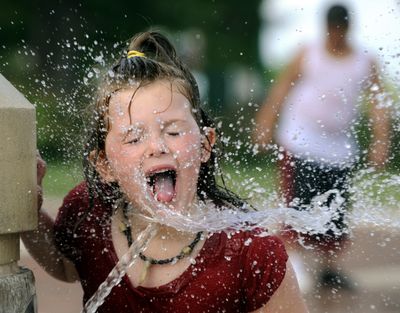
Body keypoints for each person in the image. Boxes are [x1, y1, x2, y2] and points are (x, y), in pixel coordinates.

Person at [22, 31, 308, 313]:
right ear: (105, 165)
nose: (157, 146)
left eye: (173, 130)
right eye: (134, 138)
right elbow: (65, 264)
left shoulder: (251, 254)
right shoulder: (89, 212)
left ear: (205, 145)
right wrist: (29, 213)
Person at [254, 4, 390, 290]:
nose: (336, 35)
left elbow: (379, 104)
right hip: (299, 139)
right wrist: (265, 123)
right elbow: (282, 87)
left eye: (341, 30)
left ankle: (328, 270)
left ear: (348, 28)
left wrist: (381, 140)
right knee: (298, 206)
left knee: (335, 210)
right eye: (333, 29)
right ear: (327, 27)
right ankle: (295, 269)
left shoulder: (365, 61)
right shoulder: (308, 53)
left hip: (338, 148)